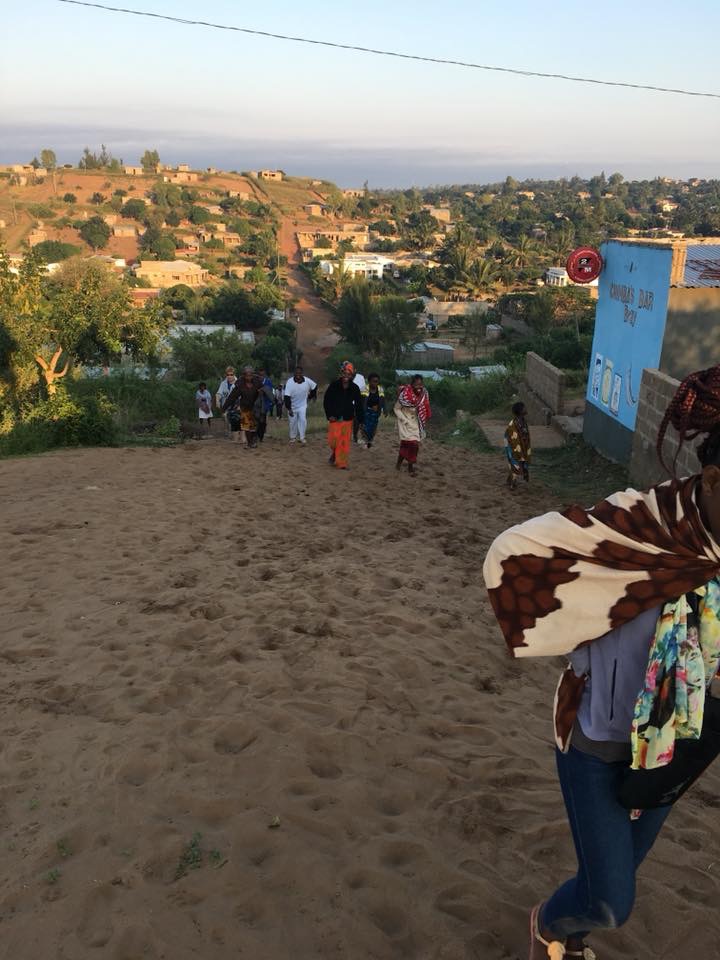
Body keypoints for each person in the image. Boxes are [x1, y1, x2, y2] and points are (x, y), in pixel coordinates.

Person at [483, 364, 720, 960]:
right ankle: (547, 926)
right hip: (595, 738)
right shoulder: (638, 527)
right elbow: (517, 552)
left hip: (670, 747)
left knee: (611, 877)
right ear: (714, 479)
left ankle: (572, 939)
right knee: (613, 898)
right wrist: (572, 629)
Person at [324, 361, 364, 469]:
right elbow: (327, 401)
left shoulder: (355, 388)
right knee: (333, 442)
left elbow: (359, 405)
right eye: (345, 373)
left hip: (347, 418)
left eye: (349, 374)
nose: (346, 376)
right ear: (341, 373)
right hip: (334, 418)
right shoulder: (334, 385)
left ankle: (341, 463)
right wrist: (329, 415)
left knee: (344, 442)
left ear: (352, 375)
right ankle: (334, 453)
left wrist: (361, 420)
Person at [222, 366, 272, 449]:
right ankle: (249, 443)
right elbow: (232, 397)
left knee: (255, 426)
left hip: (256, 407)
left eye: (251, 375)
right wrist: (224, 408)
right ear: (244, 375)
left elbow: (266, 391)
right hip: (245, 406)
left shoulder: (257, 381)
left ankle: (254, 441)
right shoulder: (240, 384)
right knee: (246, 426)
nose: (249, 377)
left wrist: (265, 395)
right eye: (247, 375)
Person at [394, 375, 431, 476]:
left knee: (414, 445)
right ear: (412, 385)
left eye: (421, 384)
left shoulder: (424, 395)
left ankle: (408, 465)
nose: (419, 387)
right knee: (407, 444)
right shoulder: (405, 395)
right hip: (405, 423)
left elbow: (425, 408)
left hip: (415, 424)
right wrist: (404, 420)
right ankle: (403, 465)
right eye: (417, 384)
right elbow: (396, 409)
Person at [284, 365, 317, 445]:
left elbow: (315, 386)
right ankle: (293, 438)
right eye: (296, 373)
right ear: (294, 374)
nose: (298, 375)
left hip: (302, 405)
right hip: (292, 406)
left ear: (302, 373)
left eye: (300, 373)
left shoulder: (307, 381)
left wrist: (311, 396)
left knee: (303, 420)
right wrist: (289, 409)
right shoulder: (289, 382)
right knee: (293, 422)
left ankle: (302, 438)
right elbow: (286, 397)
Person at [504, 401, 532, 490]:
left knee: (519, 461)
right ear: (520, 411)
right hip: (513, 445)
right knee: (516, 460)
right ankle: (513, 483)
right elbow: (513, 439)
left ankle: (510, 479)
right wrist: (519, 450)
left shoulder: (523, 421)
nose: (526, 409)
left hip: (521, 445)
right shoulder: (513, 424)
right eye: (524, 408)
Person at [360, 373, 386, 449]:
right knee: (365, 427)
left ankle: (370, 441)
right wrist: (363, 413)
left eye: (377, 381)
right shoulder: (365, 388)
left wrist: (384, 409)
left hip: (375, 411)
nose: (375, 383)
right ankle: (366, 441)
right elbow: (364, 402)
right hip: (366, 410)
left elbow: (382, 400)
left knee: (373, 427)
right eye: (373, 381)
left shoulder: (380, 389)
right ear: (369, 381)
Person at [216, 367, 237, 437]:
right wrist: (217, 400)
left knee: (234, 419)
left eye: (231, 374)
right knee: (226, 418)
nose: (229, 376)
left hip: (235, 405)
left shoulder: (238, 382)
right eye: (228, 375)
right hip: (225, 405)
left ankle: (235, 434)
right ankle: (229, 431)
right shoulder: (223, 383)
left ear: (234, 375)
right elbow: (219, 393)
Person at [256, 367, 274, 442]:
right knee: (256, 420)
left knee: (262, 421)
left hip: (265, 405)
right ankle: (257, 436)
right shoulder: (255, 381)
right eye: (259, 375)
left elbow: (269, 393)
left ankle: (261, 436)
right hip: (256, 405)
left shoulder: (268, 382)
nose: (261, 377)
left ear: (265, 375)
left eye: (262, 375)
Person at [352, 370, 367, 444]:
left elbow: (363, 392)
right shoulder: (344, 379)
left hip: (358, 402)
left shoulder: (360, 377)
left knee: (357, 420)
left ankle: (356, 436)